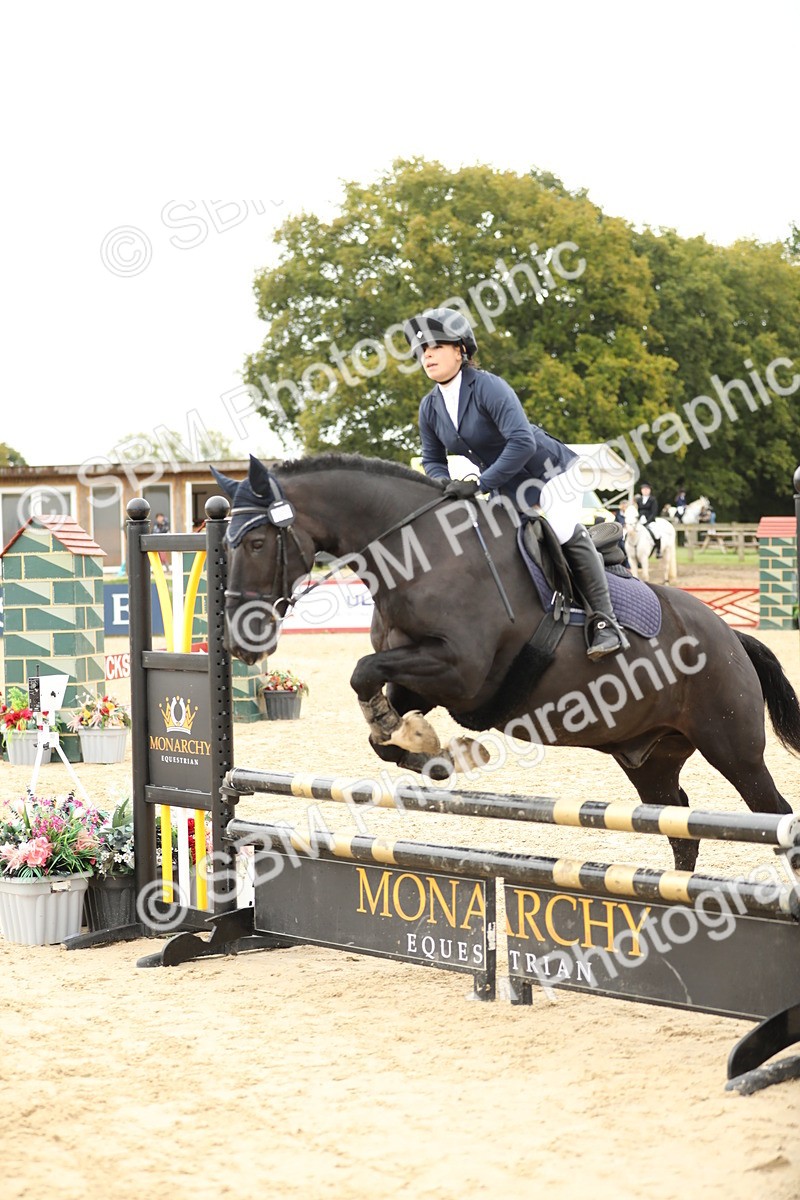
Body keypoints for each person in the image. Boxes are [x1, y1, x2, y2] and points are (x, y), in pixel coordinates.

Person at [403, 307, 629, 661]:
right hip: (507, 484)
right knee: (494, 542)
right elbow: (432, 458)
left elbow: (521, 442)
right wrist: (447, 485)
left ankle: (605, 621)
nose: (426, 354)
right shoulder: (430, 406)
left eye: (436, 346)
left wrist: (478, 483)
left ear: (461, 350)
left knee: (561, 530)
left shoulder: (489, 387)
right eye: (421, 350)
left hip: (552, 472)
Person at [636, 483, 661, 557]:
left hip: (650, 519)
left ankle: (658, 551)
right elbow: (637, 510)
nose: (645, 491)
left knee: (657, 534)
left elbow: (654, 512)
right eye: (644, 489)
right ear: (641, 490)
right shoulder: (639, 499)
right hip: (639, 519)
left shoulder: (653, 499)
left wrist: (647, 522)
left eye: (647, 489)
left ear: (649, 490)